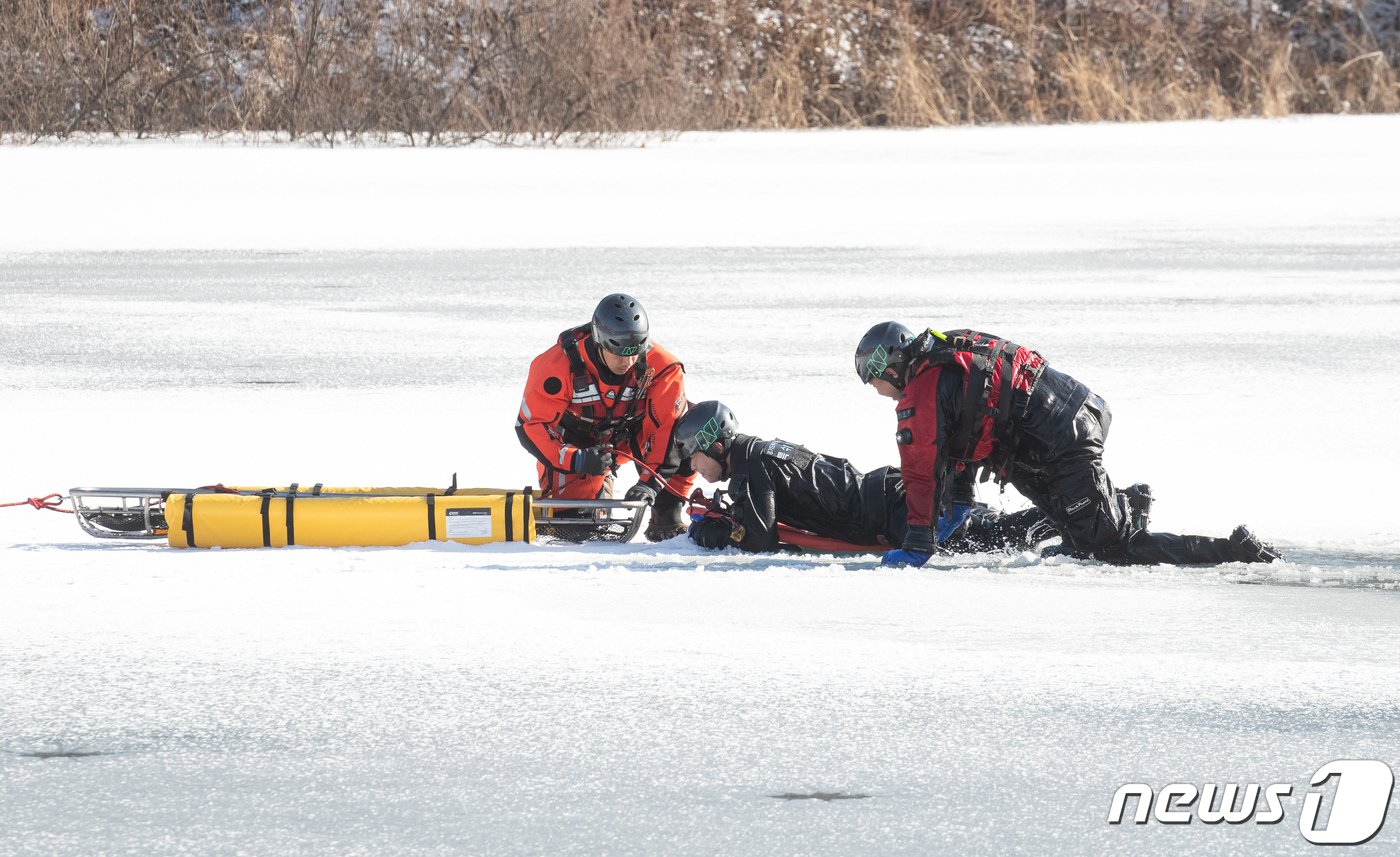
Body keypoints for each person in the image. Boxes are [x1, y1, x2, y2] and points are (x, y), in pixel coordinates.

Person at [853, 323, 1281, 567]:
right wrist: (958, 507)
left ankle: (1235, 551)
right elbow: (957, 446)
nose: (875, 391)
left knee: (1112, 549)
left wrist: (917, 543)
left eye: (872, 379)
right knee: (1076, 542)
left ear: (889, 364)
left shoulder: (921, 391)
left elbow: (921, 470)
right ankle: (1127, 504)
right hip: (1060, 427)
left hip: (1060, 441)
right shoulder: (944, 354)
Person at [674, 400, 1056, 554]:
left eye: (694, 457)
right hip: (891, 495)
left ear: (717, 446)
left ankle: (1082, 515)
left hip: (894, 512)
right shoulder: (758, 452)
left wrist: (710, 532)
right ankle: (1079, 514)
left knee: (998, 537)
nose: (693, 468)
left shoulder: (752, 466)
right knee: (994, 529)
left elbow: (759, 540)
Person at [515, 294, 694, 541]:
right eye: (618, 353)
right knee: (575, 529)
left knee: (698, 428)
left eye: (635, 352)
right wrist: (575, 459)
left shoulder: (664, 368)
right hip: (579, 445)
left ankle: (666, 516)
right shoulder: (555, 366)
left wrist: (649, 485)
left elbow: (665, 429)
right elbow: (530, 426)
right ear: (599, 340)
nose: (628, 362)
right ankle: (591, 489)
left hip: (631, 437)